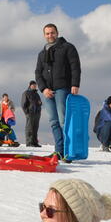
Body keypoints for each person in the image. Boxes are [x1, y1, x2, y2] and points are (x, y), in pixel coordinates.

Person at [34, 23, 81, 160]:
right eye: (47, 33)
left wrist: (75, 84)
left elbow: (75, 67)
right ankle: (59, 151)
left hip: (63, 88)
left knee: (63, 121)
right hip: (48, 91)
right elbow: (38, 73)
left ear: (57, 33)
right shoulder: (42, 53)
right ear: (44, 35)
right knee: (53, 121)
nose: (50, 35)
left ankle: (69, 152)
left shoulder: (67, 47)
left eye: (52, 33)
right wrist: (43, 89)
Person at [21, 80, 42, 147]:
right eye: (33, 85)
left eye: (35, 85)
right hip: (30, 113)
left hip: (37, 113)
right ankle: (29, 143)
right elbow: (23, 104)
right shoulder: (26, 93)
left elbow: (39, 102)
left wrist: (40, 104)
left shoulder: (37, 94)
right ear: (30, 86)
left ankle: (34, 142)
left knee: (35, 128)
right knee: (29, 128)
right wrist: (27, 112)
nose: (34, 86)